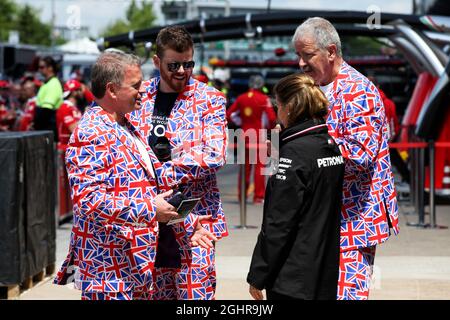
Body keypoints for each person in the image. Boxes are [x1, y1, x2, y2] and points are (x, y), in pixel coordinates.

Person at [53, 51, 215, 300]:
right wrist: (151, 210)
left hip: (134, 268)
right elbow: (88, 201)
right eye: (135, 85)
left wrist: (188, 223)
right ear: (112, 90)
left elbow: (150, 185)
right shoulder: (91, 133)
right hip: (110, 274)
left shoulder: (125, 125)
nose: (143, 91)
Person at [292, 17, 399, 300]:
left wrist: (303, 145)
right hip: (323, 216)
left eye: (308, 55)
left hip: (353, 217)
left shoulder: (358, 91)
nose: (301, 63)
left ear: (330, 51)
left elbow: (361, 155)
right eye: (298, 55)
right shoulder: (312, 87)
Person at [129, 26, 227, 300]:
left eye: (189, 64)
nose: (182, 71)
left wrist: (162, 168)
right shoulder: (139, 96)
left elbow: (215, 154)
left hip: (195, 220)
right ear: (157, 61)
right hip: (149, 218)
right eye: (174, 65)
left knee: (195, 298)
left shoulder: (210, 99)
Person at [247, 73, 344, 300]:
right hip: (324, 271)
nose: (275, 111)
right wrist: (279, 152)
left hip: (291, 278)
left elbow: (278, 221)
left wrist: (258, 275)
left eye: (277, 105)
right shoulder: (329, 145)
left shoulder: (294, 154)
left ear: (289, 108)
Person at [226, 74, 277, 203]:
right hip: (259, 137)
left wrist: (240, 123)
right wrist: (269, 128)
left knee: (244, 168)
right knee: (259, 168)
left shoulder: (241, 98)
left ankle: (242, 195)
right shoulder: (264, 99)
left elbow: (229, 115)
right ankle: (258, 197)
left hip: (244, 135)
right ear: (261, 85)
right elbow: (271, 119)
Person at [34, 56, 63, 139]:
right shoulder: (46, 83)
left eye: (42, 67)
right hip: (44, 128)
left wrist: (36, 124)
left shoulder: (53, 84)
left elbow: (46, 110)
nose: (39, 70)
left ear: (50, 68)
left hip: (48, 129)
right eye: (38, 67)